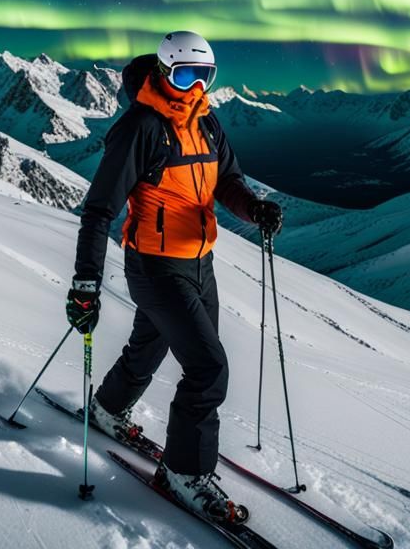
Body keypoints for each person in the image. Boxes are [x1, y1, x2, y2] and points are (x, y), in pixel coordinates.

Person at [65, 30, 283, 524]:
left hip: (200, 264)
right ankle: (183, 472)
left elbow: (227, 180)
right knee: (208, 369)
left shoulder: (206, 123)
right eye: (185, 76)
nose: (195, 87)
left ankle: (106, 409)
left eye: (204, 76)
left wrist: (254, 209)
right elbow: (99, 210)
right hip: (155, 266)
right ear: (165, 73)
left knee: (152, 341)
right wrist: (85, 282)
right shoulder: (141, 127)